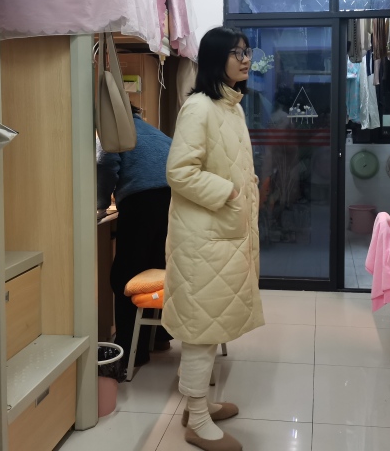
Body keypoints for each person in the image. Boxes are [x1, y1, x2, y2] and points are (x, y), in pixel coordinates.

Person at [163, 27, 264, 451]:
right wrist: (231, 193)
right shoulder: (199, 107)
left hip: (221, 234)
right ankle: (196, 420)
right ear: (215, 58)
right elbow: (179, 171)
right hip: (203, 240)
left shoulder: (230, 106)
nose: (246, 59)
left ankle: (200, 406)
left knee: (210, 324)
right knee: (201, 331)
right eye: (236, 53)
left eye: (247, 51)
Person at [96, 105, 173, 372]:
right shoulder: (157, 134)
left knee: (126, 276)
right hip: (172, 204)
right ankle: (159, 337)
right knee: (156, 271)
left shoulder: (116, 132)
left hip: (140, 204)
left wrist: (100, 202)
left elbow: (105, 165)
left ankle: (131, 351)